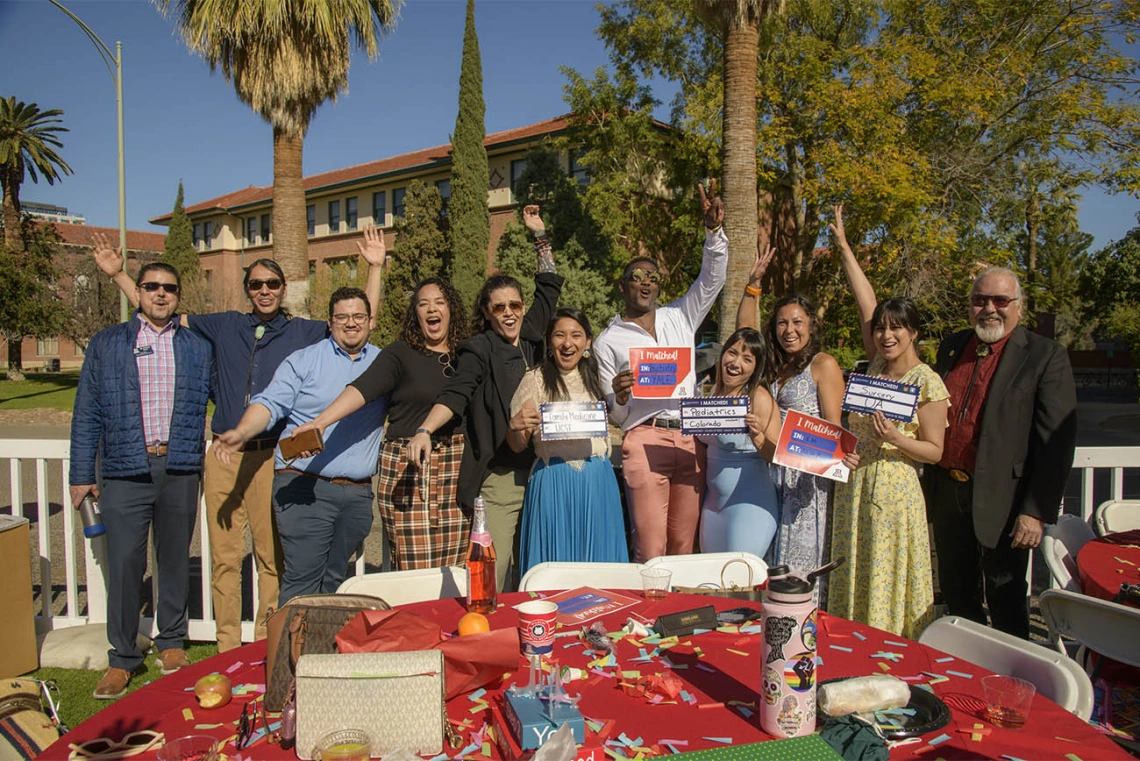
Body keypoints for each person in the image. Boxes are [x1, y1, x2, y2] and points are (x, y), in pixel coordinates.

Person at [94, 227, 385, 652]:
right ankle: (228, 645)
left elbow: (358, 323)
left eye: (272, 284)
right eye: (256, 284)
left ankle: (268, 645)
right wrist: (120, 277)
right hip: (225, 452)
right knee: (225, 556)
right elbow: (162, 312)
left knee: (273, 559)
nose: (264, 291)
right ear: (248, 290)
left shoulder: (306, 333)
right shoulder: (224, 325)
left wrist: (375, 268)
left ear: (284, 289)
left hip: (274, 456)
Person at [69, 263, 212, 699]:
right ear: (140, 293)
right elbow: (87, 410)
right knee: (126, 563)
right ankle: (123, 657)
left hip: (180, 466)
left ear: (177, 294)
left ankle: (171, 641)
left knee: (173, 560)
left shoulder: (196, 347)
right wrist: (80, 475)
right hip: (124, 469)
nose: (161, 294)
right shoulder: (109, 343)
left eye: (169, 288)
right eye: (152, 287)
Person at [406, 206, 562, 591]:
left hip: (543, 472)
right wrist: (425, 428)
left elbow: (549, 285)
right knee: (498, 568)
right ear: (487, 313)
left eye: (515, 305)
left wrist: (540, 235)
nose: (509, 314)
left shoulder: (530, 336)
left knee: (537, 565)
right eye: (499, 308)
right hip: (502, 476)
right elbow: (456, 393)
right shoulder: (478, 350)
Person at [923, 267, 1077, 639]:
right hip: (948, 491)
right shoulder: (953, 346)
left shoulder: (1044, 355)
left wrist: (1035, 512)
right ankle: (965, 678)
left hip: (1006, 501)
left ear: (1018, 307)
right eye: (980, 300)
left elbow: (1055, 443)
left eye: (1000, 300)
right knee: (958, 594)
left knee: (1006, 599)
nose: (989, 308)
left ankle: (1013, 686)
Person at [212, 287, 387, 604]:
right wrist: (242, 431)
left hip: (357, 494)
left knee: (333, 581)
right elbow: (269, 403)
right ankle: (289, 654)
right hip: (304, 486)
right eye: (342, 317)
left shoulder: (383, 364)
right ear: (330, 322)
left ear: (370, 320)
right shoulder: (305, 361)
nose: (351, 323)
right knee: (302, 580)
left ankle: (318, 651)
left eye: (358, 316)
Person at [826, 205, 949, 638]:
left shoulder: (926, 380)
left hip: (896, 495)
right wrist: (843, 247)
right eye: (881, 329)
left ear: (914, 332)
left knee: (885, 585)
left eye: (897, 329)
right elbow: (867, 302)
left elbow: (935, 452)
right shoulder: (875, 367)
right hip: (857, 487)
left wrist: (897, 437)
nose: (886, 335)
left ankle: (889, 655)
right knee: (854, 578)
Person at [295, 277, 470, 570]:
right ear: (415, 313)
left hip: (457, 469)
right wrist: (321, 422)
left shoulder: (467, 356)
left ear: (451, 309)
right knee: (417, 572)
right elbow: (362, 388)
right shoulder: (399, 354)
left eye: (439, 302)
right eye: (423, 303)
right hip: (409, 468)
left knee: (456, 572)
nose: (431, 309)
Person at [594, 182, 727, 562]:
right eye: (637, 276)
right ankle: (646, 619)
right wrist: (619, 397)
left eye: (651, 276)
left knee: (684, 547)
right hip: (644, 438)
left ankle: (681, 618)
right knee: (651, 547)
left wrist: (713, 233)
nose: (646, 281)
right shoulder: (607, 341)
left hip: (688, 438)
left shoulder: (681, 316)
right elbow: (617, 416)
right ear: (622, 287)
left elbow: (713, 280)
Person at [735, 245, 845, 587]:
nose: (789, 330)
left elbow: (835, 432)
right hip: (770, 475)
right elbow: (744, 333)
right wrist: (753, 286)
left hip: (806, 485)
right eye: (782, 323)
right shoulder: (772, 366)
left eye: (797, 322)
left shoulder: (823, 365)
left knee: (799, 573)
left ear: (811, 324)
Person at [507, 308, 630, 576]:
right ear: (549, 342)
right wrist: (516, 427)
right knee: (553, 574)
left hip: (597, 483)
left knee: (601, 572)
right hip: (552, 482)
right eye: (559, 335)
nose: (567, 343)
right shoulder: (534, 380)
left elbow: (620, 417)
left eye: (576, 335)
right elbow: (517, 444)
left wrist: (620, 399)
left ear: (588, 342)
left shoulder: (600, 379)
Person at [696, 327, 784, 557]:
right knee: (713, 583)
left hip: (749, 507)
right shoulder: (714, 393)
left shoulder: (759, 397)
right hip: (714, 507)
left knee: (741, 582)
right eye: (732, 353)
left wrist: (759, 438)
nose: (735, 363)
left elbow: (776, 455)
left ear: (756, 367)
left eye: (747, 359)